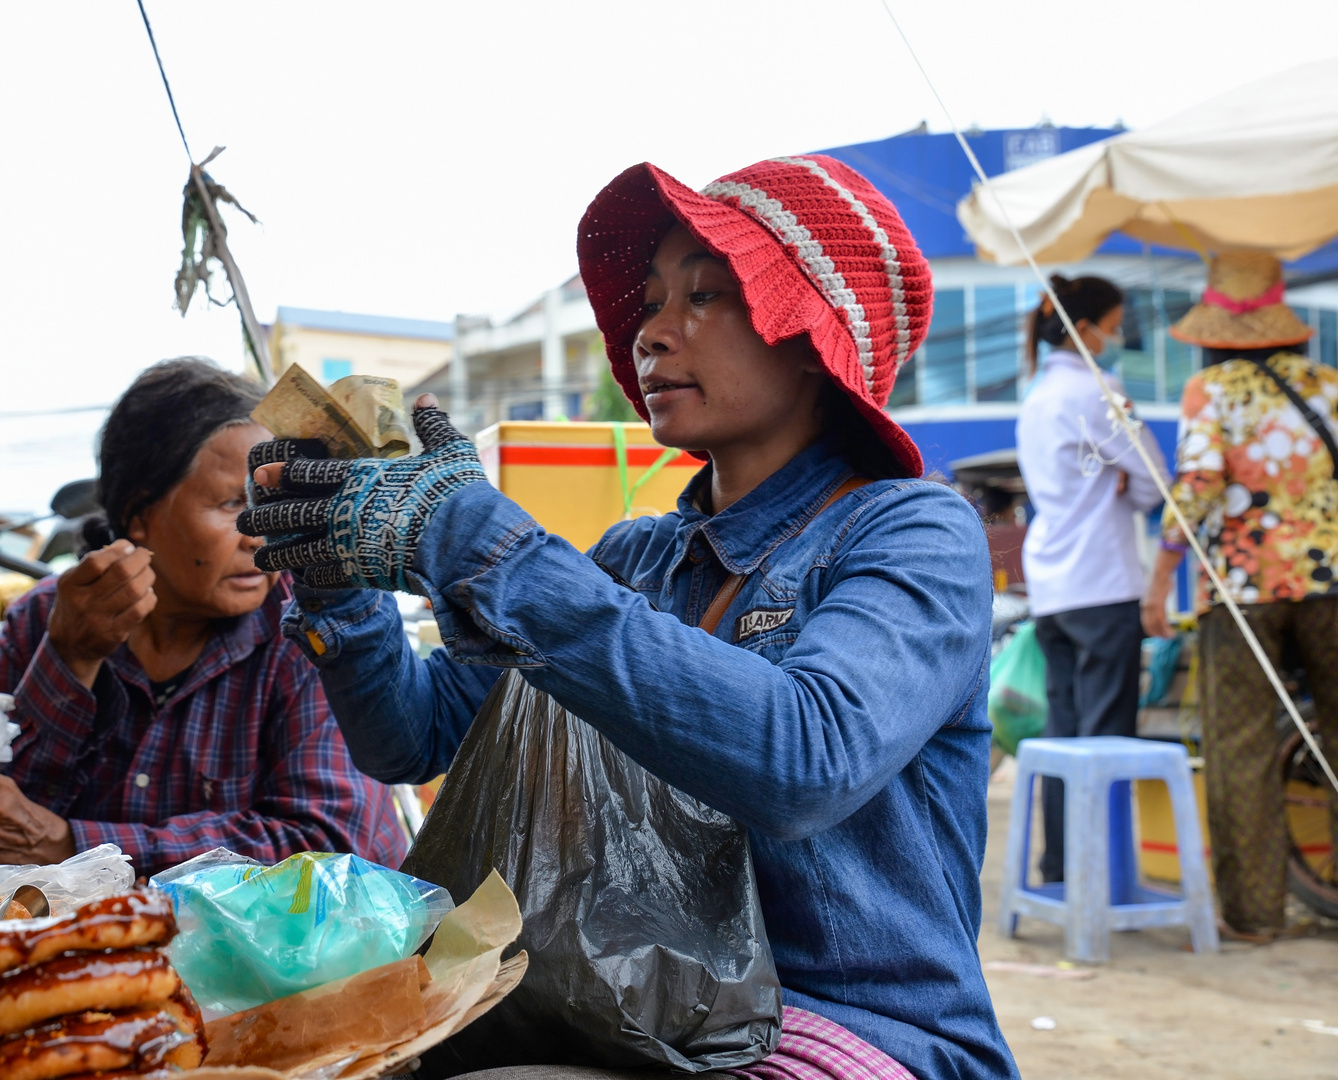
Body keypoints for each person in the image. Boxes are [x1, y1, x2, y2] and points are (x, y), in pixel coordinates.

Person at [242, 158, 1017, 1080]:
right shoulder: (631, 559)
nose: (652, 332)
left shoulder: (913, 528)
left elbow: (808, 760)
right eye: (650, 301)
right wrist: (338, 585)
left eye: (704, 296)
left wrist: (472, 535)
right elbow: (410, 737)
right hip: (628, 1009)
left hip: (846, 1026)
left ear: (812, 339)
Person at [0, 358, 408, 877]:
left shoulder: (315, 622)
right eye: (234, 503)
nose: (261, 532)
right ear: (140, 517)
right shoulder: (46, 619)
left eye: (272, 501)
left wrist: (69, 845)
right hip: (100, 947)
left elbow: (326, 844)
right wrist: (70, 659)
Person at [1142, 252, 1338, 941]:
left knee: (1242, 746)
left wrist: (1161, 578)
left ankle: (1253, 916)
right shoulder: (1329, 385)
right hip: (1332, 583)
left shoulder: (1211, 390)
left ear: (1215, 329)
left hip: (1245, 587)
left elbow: (1195, 488)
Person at [1015, 275, 1170, 883]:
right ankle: (1099, 870)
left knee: (1065, 731)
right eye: (1116, 321)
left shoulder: (1036, 398)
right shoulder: (1097, 394)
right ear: (1086, 331)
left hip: (1053, 584)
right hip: (1103, 582)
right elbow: (1156, 479)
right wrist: (1129, 491)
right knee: (1105, 737)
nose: (1120, 334)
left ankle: (1062, 866)